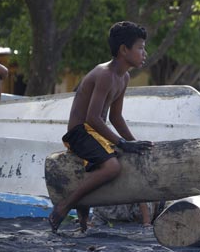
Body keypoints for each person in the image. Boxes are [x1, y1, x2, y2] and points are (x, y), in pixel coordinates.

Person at [48, 21, 153, 233]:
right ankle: (64, 206)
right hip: (79, 132)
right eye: (140, 47)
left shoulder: (123, 77)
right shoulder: (105, 74)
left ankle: (84, 224)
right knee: (112, 166)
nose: (144, 53)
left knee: (128, 157)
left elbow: (116, 117)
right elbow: (92, 118)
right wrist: (122, 142)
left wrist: (133, 143)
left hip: (94, 133)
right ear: (124, 50)